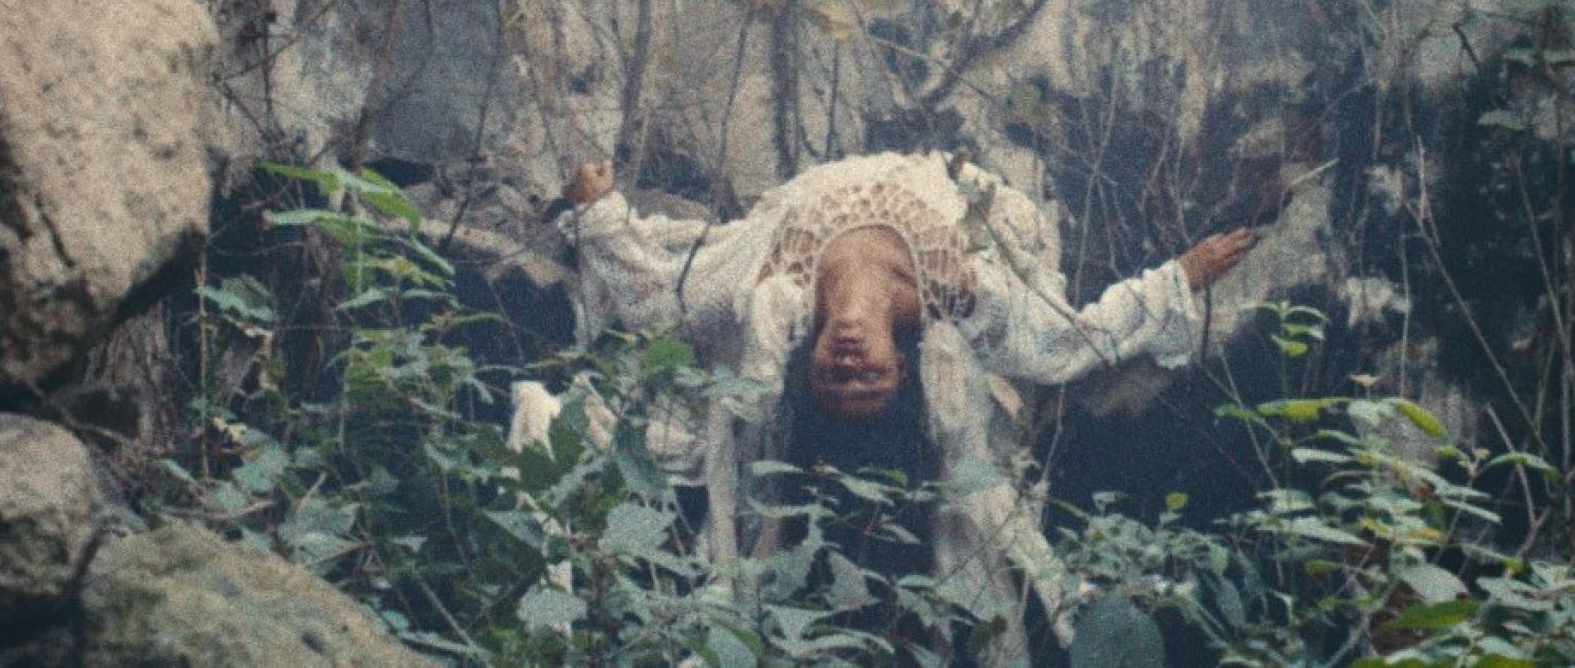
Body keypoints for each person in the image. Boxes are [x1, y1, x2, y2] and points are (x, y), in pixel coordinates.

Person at [534, 151, 1253, 659]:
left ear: (808, 367)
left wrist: (597, 209)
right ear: (902, 370)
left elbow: (662, 295)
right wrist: (1181, 276)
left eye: (836, 380)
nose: (851, 362)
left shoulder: (771, 293)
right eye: (869, 380)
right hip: (940, 181)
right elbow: (1065, 342)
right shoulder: (958, 292)